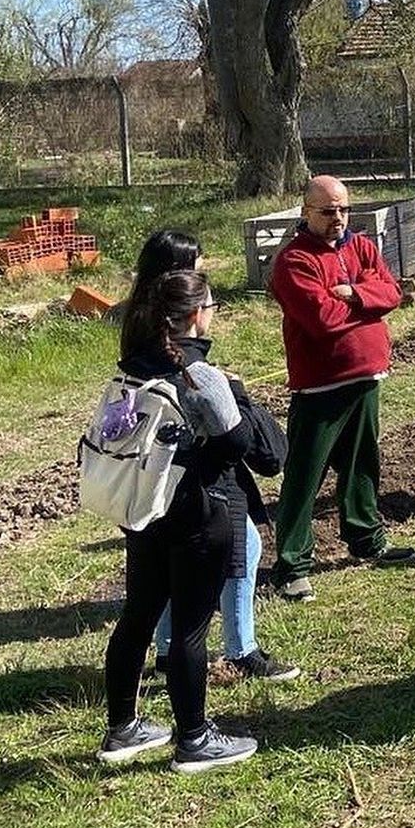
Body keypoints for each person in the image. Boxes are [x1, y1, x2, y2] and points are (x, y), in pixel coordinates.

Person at [97, 269, 260, 773]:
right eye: (211, 305)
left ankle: (123, 727)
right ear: (196, 315)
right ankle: (194, 737)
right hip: (198, 511)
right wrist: (238, 399)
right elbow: (239, 444)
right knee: (190, 630)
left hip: (144, 510)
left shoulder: (130, 368)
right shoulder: (201, 374)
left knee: (138, 617)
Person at [125, 231, 299, 681]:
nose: (205, 267)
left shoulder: (142, 319)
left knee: (167, 566)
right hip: (196, 471)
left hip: (156, 469)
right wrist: (227, 392)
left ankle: (166, 654)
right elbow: (237, 442)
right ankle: (239, 650)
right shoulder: (186, 357)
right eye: (198, 265)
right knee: (242, 547)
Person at [268, 175, 415, 603]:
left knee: (362, 463)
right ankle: (292, 565)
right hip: (320, 386)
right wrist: (369, 307)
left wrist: (353, 294)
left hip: (367, 376)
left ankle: (367, 539)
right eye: (328, 211)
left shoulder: (362, 246)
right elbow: (321, 321)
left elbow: (391, 292)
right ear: (306, 212)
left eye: (344, 210)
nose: (338, 218)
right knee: (304, 475)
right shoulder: (294, 261)